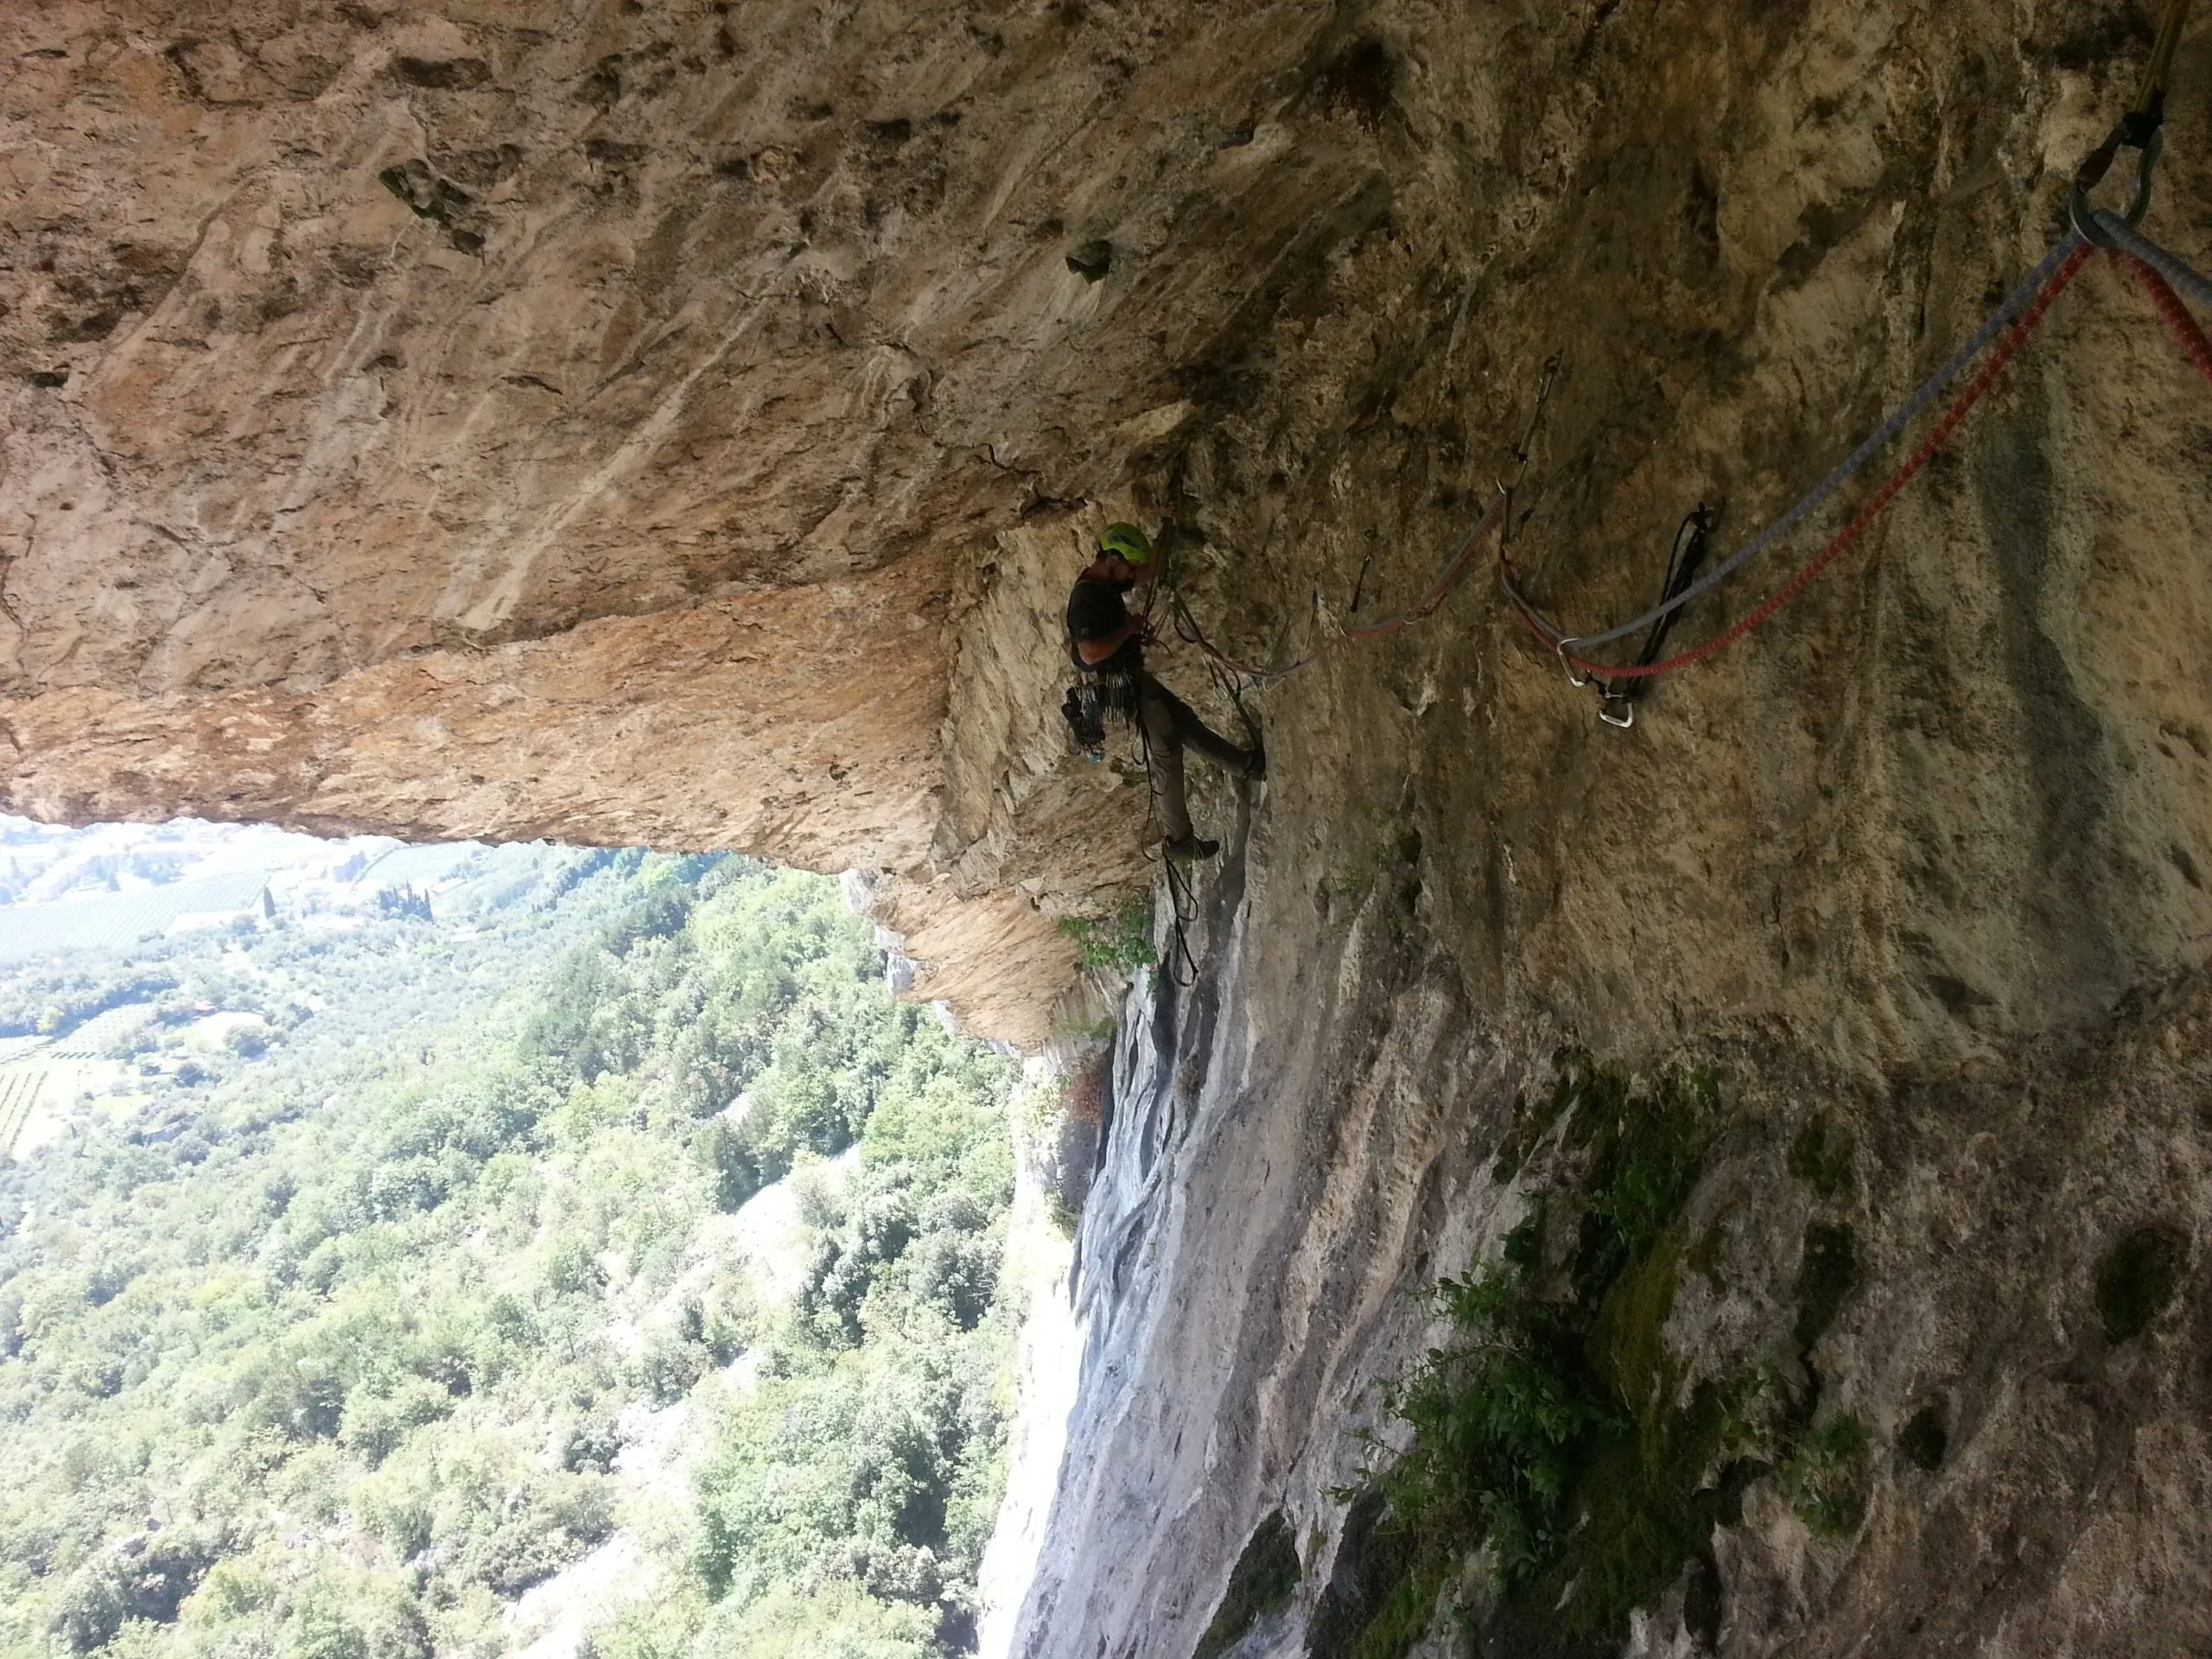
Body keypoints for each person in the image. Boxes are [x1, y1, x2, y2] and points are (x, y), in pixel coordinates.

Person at [1064, 522, 1262, 860]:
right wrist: (1128, 628)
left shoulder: (1107, 581)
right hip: (1117, 685)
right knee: (1167, 748)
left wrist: (1168, 522)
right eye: (1127, 567)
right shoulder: (1087, 597)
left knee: (1184, 723)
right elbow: (1089, 653)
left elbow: (1150, 571)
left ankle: (1246, 765)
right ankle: (1177, 838)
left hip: (1129, 677)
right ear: (1112, 559)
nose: (1132, 576)